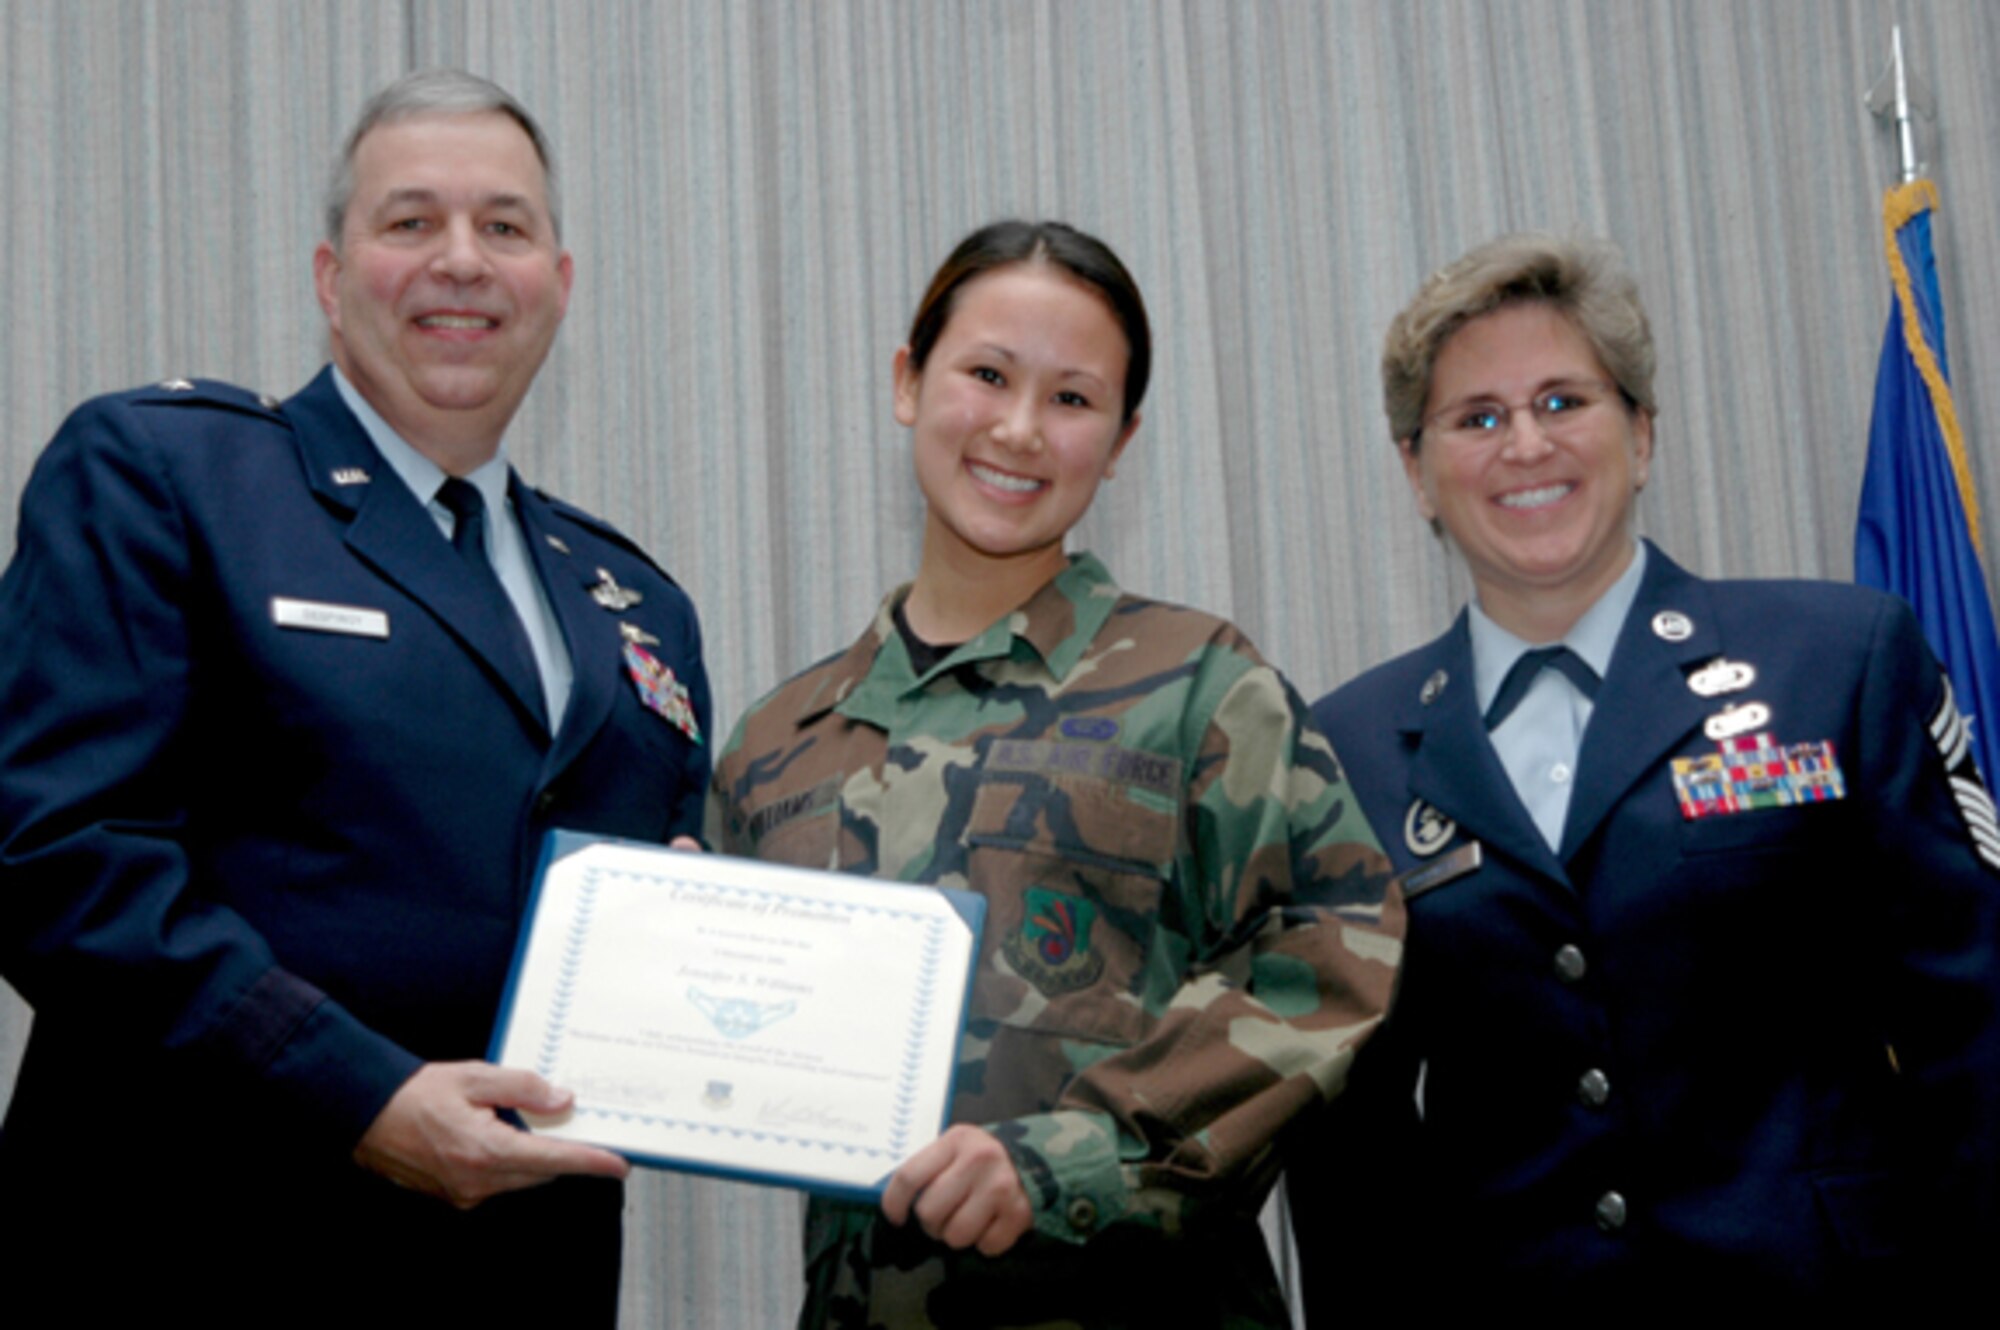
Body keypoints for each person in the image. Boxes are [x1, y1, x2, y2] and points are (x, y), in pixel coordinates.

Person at [0, 69, 710, 1322]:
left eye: (503, 226)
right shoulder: (172, 476)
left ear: (559, 281)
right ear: (333, 278)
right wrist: (356, 1092)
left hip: (521, 1275)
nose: (460, 261)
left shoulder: (635, 606)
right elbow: (58, 857)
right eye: (408, 222)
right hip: (195, 1248)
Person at [708, 219, 1403, 1329]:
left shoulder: (1199, 687)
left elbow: (1330, 950)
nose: (1019, 429)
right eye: (985, 374)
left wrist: (1073, 1158)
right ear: (907, 380)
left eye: (1072, 399)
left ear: (1121, 439)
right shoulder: (771, 742)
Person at [1286, 231, 2000, 1311]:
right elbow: (1353, 1152)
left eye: (1561, 401)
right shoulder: (1349, 746)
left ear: (1641, 431)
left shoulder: (1835, 660)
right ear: (1415, 471)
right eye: (1475, 417)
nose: (1522, 444)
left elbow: (1973, 1030)